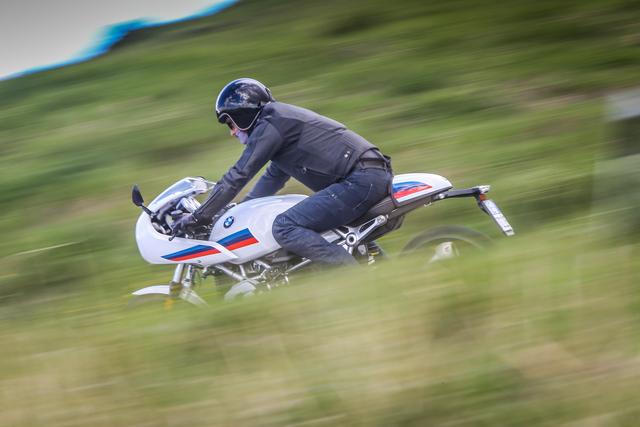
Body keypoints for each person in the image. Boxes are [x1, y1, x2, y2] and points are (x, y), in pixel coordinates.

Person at [173, 78, 392, 265]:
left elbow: (238, 175)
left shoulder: (271, 123)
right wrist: (237, 212)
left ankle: (351, 278)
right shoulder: (279, 122)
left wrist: (198, 217)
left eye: (230, 124)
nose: (232, 132)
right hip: (366, 176)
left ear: (242, 114)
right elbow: (272, 178)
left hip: (361, 180)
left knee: (284, 226)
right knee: (334, 230)